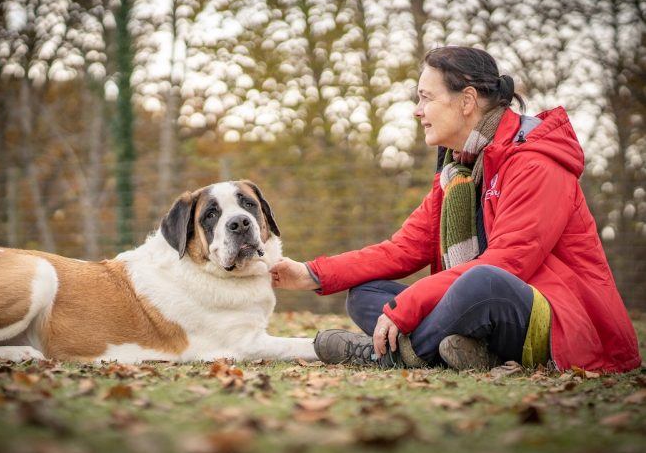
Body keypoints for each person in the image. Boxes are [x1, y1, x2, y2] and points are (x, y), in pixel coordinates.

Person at [270, 46, 641, 373]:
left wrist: (409, 305)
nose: (418, 111)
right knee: (365, 293)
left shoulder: (536, 162)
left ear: (466, 101)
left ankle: (383, 354)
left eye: (426, 97)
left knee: (481, 282)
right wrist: (312, 274)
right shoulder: (457, 171)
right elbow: (404, 248)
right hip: (481, 311)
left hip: (556, 319)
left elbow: (508, 263)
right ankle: (463, 352)